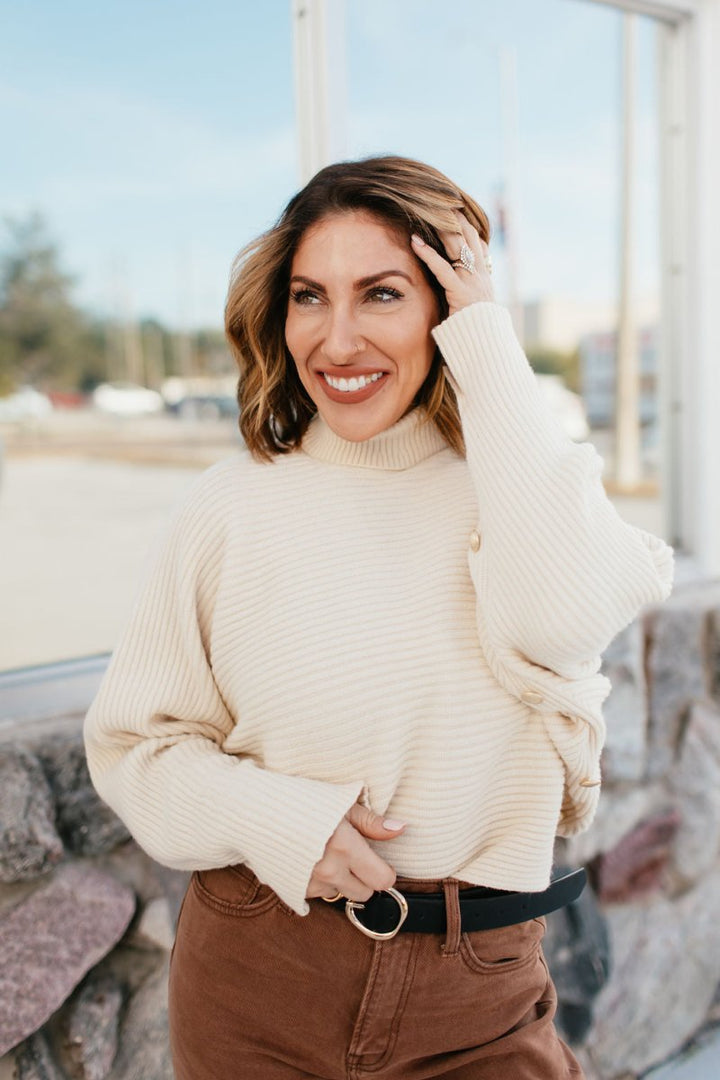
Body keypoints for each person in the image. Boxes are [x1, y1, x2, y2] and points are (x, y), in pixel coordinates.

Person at [84, 156, 674, 1079]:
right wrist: (285, 822)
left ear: (447, 306)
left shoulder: (517, 491)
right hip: (260, 977)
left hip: (477, 992)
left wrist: (486, 336)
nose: (338, 339)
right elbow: (135, 747)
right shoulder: (230, 506)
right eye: (310, 297)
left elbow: (560, 620)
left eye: (383, 294)